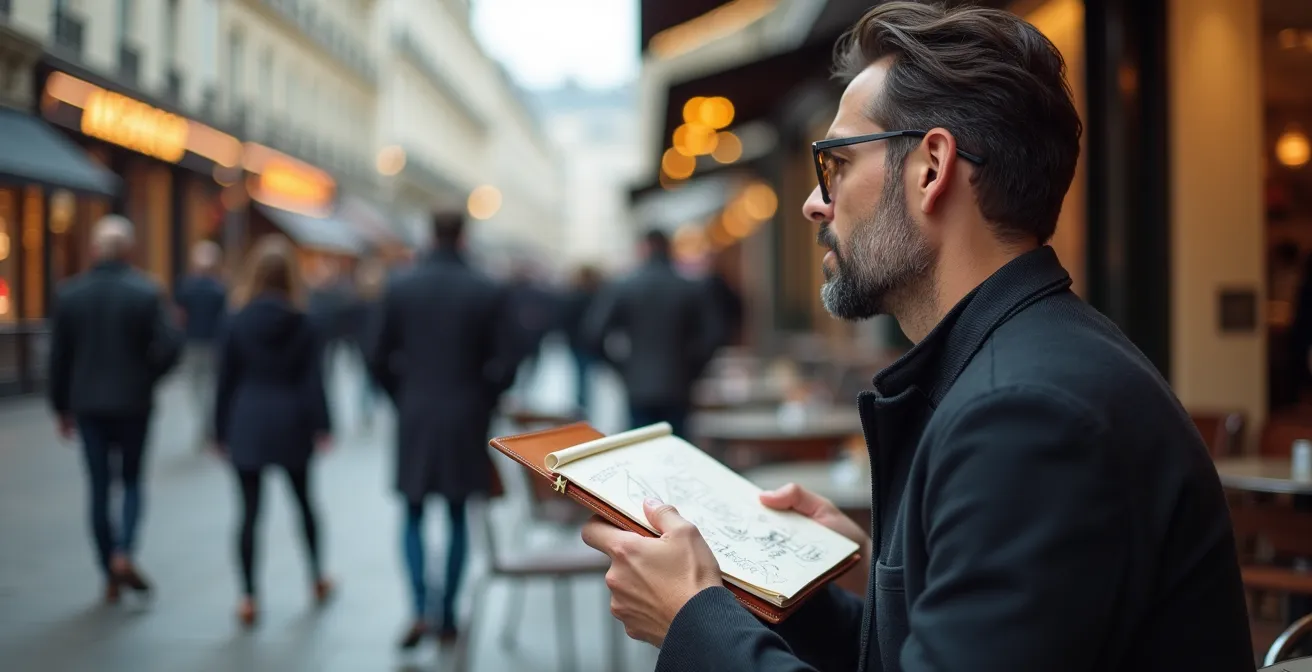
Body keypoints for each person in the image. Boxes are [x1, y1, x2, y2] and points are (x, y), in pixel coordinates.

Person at [581, 4, 1255, 671]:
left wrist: (693, 619)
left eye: (836, 164)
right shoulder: (1023, 365)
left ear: (930, 168)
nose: (816, 203)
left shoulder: (1026, 415)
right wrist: (821, 591)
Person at [366, 211, 518, 649]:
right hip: (466, 413)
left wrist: (402, 396)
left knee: (412, 511)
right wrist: (484, 397)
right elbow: (508, 361)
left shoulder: (401, 285)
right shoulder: (486, 288)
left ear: (431, 234)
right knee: (456, 514)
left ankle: (419, 609)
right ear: (464, 237)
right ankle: (448, 613)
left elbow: (375, 355)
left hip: (415, 412)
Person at [48, 214, 183, 603]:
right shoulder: (144, 293)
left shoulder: (71, 294)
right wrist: (147, 376)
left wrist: (61, 406)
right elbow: (172, 345)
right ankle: (124, 552)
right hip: (133, 403)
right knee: (132, 481)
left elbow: (59, 358)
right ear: (129, 251)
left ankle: (108, 566)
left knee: (98, 487)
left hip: (88, 404)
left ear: (94, 250)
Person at [213, 234, 334, 627]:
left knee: (248, 513)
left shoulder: (235, 320)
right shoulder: (304, 321)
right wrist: (323, 424)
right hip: (292, 420)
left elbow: (225, 380)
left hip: (247, 418)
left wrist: (217, 430)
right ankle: (316, 577)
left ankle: (248, 596)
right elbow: (313, 380)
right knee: (304, 503)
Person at [582, 230, 724, 437]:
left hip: (638, 385)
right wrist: (692, 368)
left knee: (641, 450)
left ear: (643, 248)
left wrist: (622, 368)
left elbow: (593, 334)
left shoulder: (624, 286)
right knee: (677, 451)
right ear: (669, 249)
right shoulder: (690, 287)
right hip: (678, 384)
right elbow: (714, 335)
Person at [173, 240, 228, 449]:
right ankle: (208, 424)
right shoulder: (219, 288)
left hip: (192, 343)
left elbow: (180, 316)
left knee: (196, 386)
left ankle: (204, 423)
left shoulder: (186, 286)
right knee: (211, 385)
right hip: (214, 343)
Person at [558, 265, 603, 414]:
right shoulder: (598, 296)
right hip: (591, 343)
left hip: (577, 342)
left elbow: (564, 319)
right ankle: (585, 403)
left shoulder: (573, 296)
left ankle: (581, 404)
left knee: (580, 374)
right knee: (587, 373)